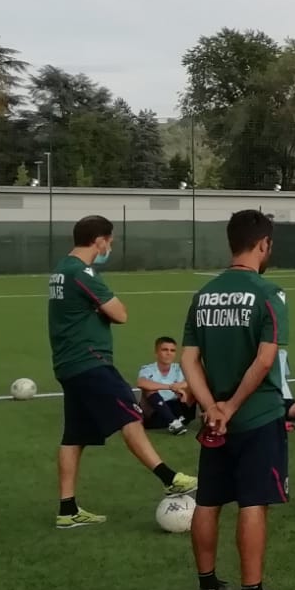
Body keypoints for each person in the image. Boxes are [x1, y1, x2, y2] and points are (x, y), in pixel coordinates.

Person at [179, 209, 295, 590]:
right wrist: (231, 407)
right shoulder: (268, 293)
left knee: (209, 501)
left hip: (215, 422)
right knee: (253, 501)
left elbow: (189, 359)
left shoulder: (204, 295)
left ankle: (208, 587)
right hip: (255, 417)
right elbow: (266, 360)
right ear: (264, 244)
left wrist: (212, 406)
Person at [46, 214, 197, 529]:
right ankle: (170, 478)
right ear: (98, 240)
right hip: (90, 361)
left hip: (67, 363)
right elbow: (120, 313)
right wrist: (102, 309)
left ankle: (67, 509)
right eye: (109, 241)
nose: (110, 246)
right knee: (130, 414)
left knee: (74, 436)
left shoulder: (60, 270)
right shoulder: (82, 273)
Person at [137, 336, 193, 434]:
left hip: (178, 412)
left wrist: (182, 386)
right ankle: (173, 422)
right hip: (155, 414)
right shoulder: (148, 369)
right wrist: (171, 387)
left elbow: (194, 380)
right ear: (156, 352)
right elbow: (141, 383)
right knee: (148, 389)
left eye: (172, 350)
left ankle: (209, 420)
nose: (169, 353)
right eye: (164, 350)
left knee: (194, 387)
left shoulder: (179, 369)